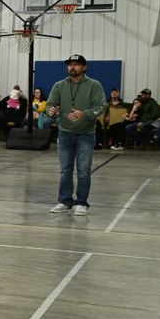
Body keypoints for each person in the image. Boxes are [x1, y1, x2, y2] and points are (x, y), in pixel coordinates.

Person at [45, 54, 106, 217]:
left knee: (83, 170)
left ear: (84, 67)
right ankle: (65, 201)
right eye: (70, 64)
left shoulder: (94, 85)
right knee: (65, 170)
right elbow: (49, 104)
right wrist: (51, 111)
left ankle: (81, 203)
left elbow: (101, 106)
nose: (72, 67)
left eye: (76, 64)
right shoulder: (59, 85)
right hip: (65, 133)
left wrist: (84, 114)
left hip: (86, 134)